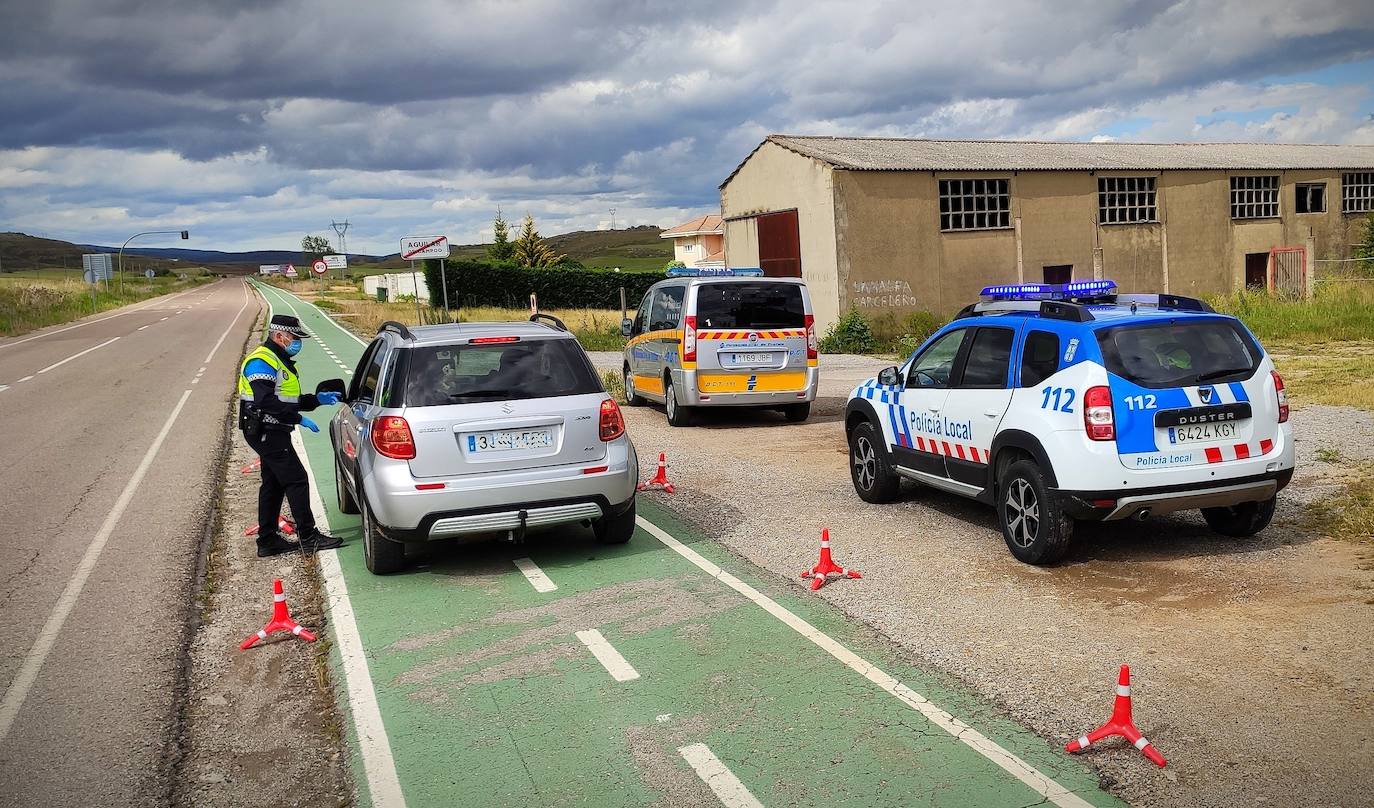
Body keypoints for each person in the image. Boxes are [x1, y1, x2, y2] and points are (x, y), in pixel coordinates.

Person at [238, 314, 345, 557]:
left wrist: (316, 400)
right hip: (267, 431)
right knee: (296, 479)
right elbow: (265, 400)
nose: (297, 342)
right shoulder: (261, 362)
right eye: (294, 338)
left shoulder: (278, 359)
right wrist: (298, 419)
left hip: (272, 430)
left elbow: (286, 399)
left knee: (273, 483)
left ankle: (267, 540)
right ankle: (308, 537)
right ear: (279, 336)